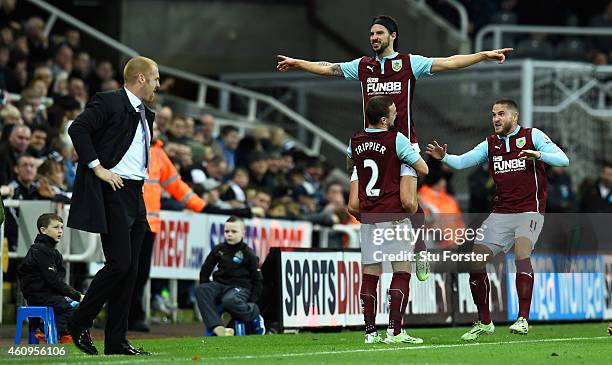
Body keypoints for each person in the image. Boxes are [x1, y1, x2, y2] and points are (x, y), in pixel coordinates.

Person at [426, 99, 569, 340]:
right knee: (474, 261)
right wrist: (444, 157)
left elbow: (563, 160)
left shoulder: (532, 135)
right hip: (501, 213)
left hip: (529, 211)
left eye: (501, 114)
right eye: (493, 114)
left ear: (514, 117)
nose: (496, 119)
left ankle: (523, 319)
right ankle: (484, 322)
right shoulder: (490, 144)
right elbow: (462, 162)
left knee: (522, 253)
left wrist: (539, 155)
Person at [66, 56, 160, 356]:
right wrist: (97, 167)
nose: (159, 84)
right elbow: (77, 128)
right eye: (156, 78)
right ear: (142, 78)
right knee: (119, 262)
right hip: (113, 188)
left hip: (136, 191)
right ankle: (79, 319)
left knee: (131, 270)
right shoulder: (108, 101)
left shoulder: (146, 113)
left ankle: (116, 341)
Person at [346, 95, 428, 344]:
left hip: (369, 217)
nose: (397, 115)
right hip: (393, 216)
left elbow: (351, 161)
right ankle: (395, 330)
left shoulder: (355, 139)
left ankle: (371, 333)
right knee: (401, 270)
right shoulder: (396, 139)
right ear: (383, 120)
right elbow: (423, 169)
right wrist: (404, 163)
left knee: (371, 273)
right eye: (393, 112)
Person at [17, 213, 83, 343]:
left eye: (62, 227)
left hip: (49, 295)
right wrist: (77, 295)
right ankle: (45, 330)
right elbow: (54, 281)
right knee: (71, 309)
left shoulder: (53, 252)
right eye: (56, 227)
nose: (60, 231)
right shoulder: (40, 251)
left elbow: (57, 281)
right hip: (39, 296)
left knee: (78, 307)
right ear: (43, 230)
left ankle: (61, 333)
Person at [194, 216, 265, 336]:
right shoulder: (219, 249)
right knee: (201, 290)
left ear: (243, 232)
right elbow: (206, 269)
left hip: (240, 288)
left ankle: (255, 314)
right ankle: (217, 327)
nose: (229, 234)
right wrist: (207, 290)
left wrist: (252, 302)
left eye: (234, 231)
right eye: (227, 231)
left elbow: (257, 279)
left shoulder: (248, 253)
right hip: (219, 285)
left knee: (229, 300)